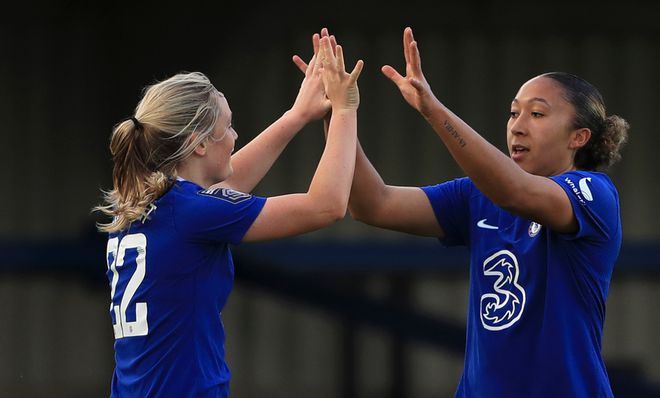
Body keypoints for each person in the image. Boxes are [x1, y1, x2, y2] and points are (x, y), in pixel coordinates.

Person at [325, 27, 628, 397]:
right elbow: (373, 204)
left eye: (536, 114)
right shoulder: (477, 195)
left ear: (578, 137)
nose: (517, 126)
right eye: (513, 113)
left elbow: (514, 191)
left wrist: (432, 109)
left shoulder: (593, 194)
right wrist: (339, 113)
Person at [94, 34, 363, 397]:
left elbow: (227, 184)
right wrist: (345, 111)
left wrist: (297, 115)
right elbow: (326, 205)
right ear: (199, 143)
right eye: (228, 126)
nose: (235, 137)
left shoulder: (144, 205)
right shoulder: (192, 212)